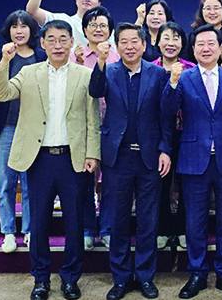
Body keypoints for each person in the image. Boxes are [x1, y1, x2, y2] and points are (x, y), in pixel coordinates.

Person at [0, 20, 100, 300]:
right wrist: (4, 62)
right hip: (39, 159)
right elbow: (0, 94)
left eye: (63, 39)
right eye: (51, 39)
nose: (57, 45)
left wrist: (92, 154)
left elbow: (92, 119)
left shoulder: (85, 75)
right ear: (42, 43)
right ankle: (40, 278)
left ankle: (70, 278)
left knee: (74, 223)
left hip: (73, 158)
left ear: (72, 42)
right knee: (38, 223)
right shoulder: (29, 73)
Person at [163, 25, 222, 299]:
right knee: (195, 221)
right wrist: (172, 83)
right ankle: (197, 273)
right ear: (193, 49)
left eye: (211, 43)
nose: (206, 48)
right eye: (200, 44)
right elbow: (168, 110)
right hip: (193, 160)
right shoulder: (184, 77)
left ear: (219, 47)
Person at [88, 23, 172, 300]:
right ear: (117, 46)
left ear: (144, 45)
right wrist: (101, 61)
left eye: (135, 41)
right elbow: (94, 91)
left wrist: (165, 149)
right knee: (118, 221)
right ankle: (121, 278)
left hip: (149, 158)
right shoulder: (109, 71)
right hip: (118, 157)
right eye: (123, 42)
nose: (129, 46)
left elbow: (165, 115)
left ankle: (145, 277)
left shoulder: (157, 73)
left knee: (148, 220)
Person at [0, 10, 45, 253]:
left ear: (32, 30)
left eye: (24, 26)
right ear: (8, 31)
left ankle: (30, 230)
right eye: (14, 26)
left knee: (31, 183)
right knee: (6, 182)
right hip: (6, 127)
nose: (19, 31)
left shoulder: (41, 56)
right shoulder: (1, 54)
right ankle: (9, 232)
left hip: (33, 128)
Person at [70, 6, 119, 251]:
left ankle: (107, 229)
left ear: (110, 30)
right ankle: (88, 229)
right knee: (84, 180)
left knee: (110, 182)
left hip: (113, 128)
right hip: (84, 127)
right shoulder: (74, 56)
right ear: (84, 29)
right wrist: (79, 63)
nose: (98, 29)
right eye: (93, 25)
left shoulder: (118, 56)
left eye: (103, 25)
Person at [152, 21, 195, 250]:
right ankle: (163, 229)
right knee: (160, 184)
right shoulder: (150, 68)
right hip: (157, 136)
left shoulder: (191, 69)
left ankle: (182, 229)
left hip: (186, 134)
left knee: (186, 184)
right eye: (166, 38)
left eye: (176, 38)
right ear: (157, 42)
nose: (171, 43)